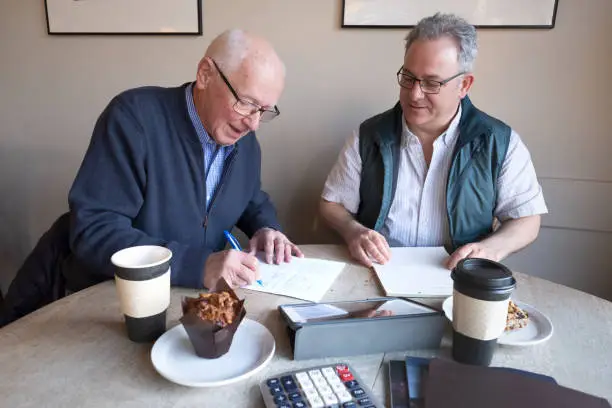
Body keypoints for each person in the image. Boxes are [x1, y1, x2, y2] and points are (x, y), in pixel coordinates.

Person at [320, 13, 547, 270]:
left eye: (431, 83)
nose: (415, 95)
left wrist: (491, 249)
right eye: (408, 78)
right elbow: (332, 204)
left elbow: (527, 219)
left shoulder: (499, 142)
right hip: (377, 274)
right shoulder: (369, 135)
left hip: (459, 279)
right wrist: (353, 231)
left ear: (464, 85)